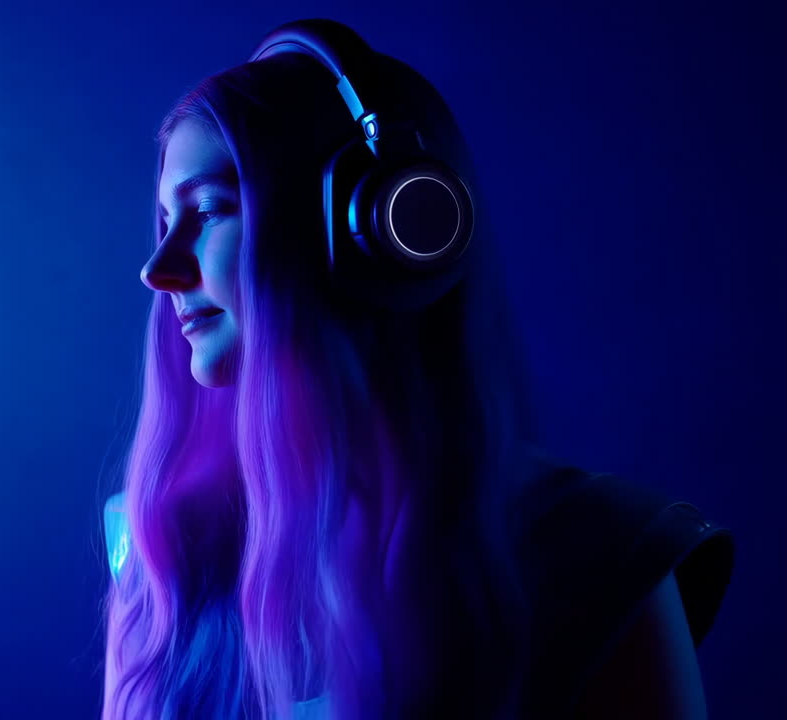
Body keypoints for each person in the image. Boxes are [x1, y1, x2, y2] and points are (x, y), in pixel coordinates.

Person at [99, 19, 733, 720]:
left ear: (387, 230)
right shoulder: (159, 547)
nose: (159, 270)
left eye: (213, 210)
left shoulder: (602, 559)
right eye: (166, 220)